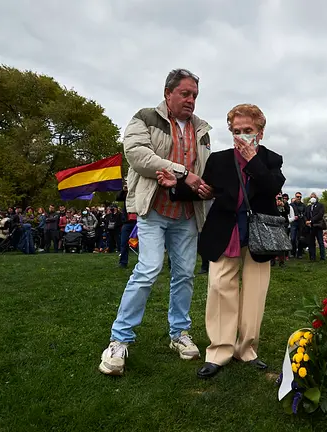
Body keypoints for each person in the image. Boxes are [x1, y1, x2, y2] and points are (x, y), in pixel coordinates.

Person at [99, 68, 213, 376]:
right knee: (147, 269)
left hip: (187, 214)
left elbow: (202, 169)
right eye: (185, 94)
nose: (191, 100)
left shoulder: (202, 129)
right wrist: (181, 172)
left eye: (195, 96)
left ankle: (179, 333)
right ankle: (119, 340)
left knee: (185, 274)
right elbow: (137, 155)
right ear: (168, 93)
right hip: (153, 210)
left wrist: (202, 185)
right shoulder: (144, 117)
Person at [160, 103, 284, 379]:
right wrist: (176, 187)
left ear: (260, 133)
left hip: (259, 237)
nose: (242, 135)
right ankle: (219, 351)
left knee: (255, 294)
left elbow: (272, 187)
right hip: (225, 233)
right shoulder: (219, 159)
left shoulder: (272, 159)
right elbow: (205, 190)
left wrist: (253, 160)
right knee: (219, 289)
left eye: (248, 130)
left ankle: (246, 349)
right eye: (236, 130)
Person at [305, 194, 326, 261]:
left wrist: (311, 221)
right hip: (310, 227)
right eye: (311, 197)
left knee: (320, 242)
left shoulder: (320, 205)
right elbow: (305, 215)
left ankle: (322, 257)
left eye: (313, 197)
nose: (312, 198)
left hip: (317, 226)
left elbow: (320, 215)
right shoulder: (308, 207)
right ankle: (312, 257)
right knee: (311, 242)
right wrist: (306, 221)